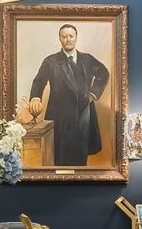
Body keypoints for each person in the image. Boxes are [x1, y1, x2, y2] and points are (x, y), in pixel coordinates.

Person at [29, 23, 110, 166]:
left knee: (80, 156)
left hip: (84, 114)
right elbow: (39, 81)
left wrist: (92, 94)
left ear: (76, 38)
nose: (68, 39)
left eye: (71, 36)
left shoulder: (87, 59)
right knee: (59, 157)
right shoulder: (51, 61)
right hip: (59, 115)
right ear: (59, 39)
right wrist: (35, 97)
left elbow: (104, 73)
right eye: (64, 36)